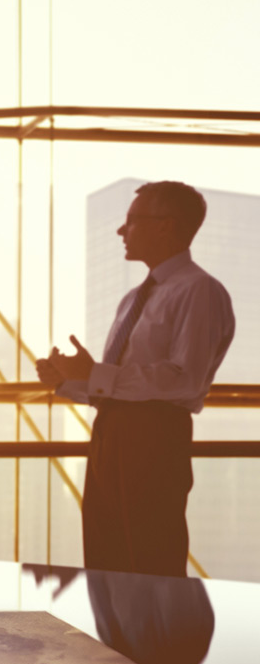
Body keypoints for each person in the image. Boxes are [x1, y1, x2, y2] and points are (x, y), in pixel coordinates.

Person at [38, 180, 234, 578]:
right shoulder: (133, 298)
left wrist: (94, 374)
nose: (120, 231)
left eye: (131, 221)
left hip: (156, 437)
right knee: (105, 555)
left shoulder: (199, 291)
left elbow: (185, 380)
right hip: (111, 431)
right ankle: (115, 642)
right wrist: (70, 381)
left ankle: (158, 642)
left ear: (165, 226)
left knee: (149, 556)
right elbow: (120, 388)